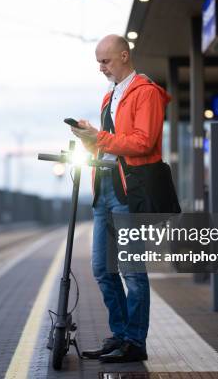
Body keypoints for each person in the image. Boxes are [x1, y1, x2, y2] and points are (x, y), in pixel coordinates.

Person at [71, 34, 172, 363]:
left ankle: (135, 341)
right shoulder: (108, 98)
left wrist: (99, 136)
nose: (101, 67)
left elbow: (142, 142)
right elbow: (108, 145)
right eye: (98, 62)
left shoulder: (147, 93)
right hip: (104, 190)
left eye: (106, 61)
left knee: (131, 270)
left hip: (131, 193)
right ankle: (120, 335)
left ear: (124, 56)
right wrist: (89, 139)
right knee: (102, 268)